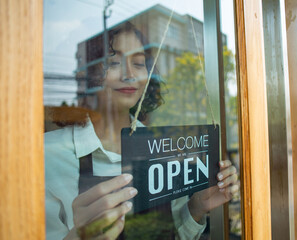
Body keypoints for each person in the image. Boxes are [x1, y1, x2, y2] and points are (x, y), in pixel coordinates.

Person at [45, 22, 238, 240]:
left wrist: (195, 208)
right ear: (90, 73)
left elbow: (170, 234)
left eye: (138, 63)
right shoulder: (46, 154)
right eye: (114, 62)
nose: (129, 75)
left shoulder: (159, 145)